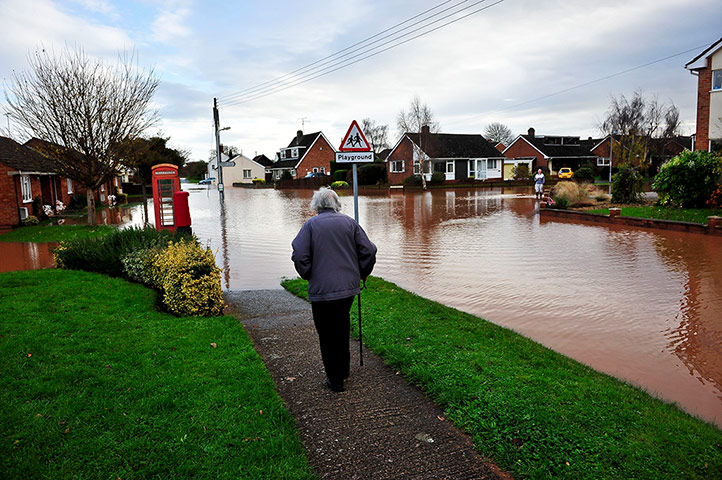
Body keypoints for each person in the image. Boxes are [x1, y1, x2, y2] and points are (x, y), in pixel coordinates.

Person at [291, 188, 377, 392]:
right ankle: (343, 370)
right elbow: (369, 250)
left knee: (327, 333)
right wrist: (362, 272)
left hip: (322, 291)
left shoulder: (310, 225)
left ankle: (335, 379)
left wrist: (308, 273)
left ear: (316, 205)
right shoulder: (349, 222)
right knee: (341, 326)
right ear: (336, 204)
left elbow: (299, 254)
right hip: (347, 289)